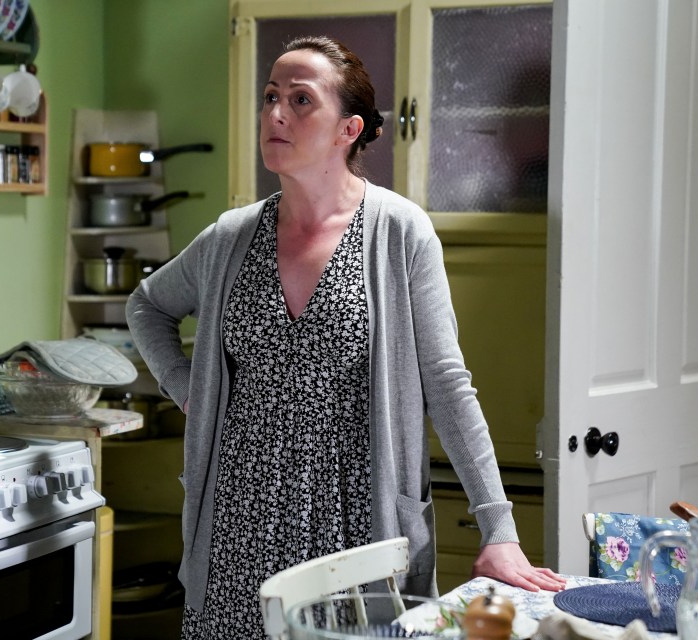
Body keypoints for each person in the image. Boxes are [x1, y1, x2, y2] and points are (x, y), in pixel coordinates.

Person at [126, 35, 565, 639]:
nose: (276, 113)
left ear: (348, 129)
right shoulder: (229, 238)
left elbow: (447, 385)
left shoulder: (401, 232)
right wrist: (185, 387)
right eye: (270, 96)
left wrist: (499, 529)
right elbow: (147, 306)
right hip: (235, 530)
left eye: (301, 100)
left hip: (359, 536)